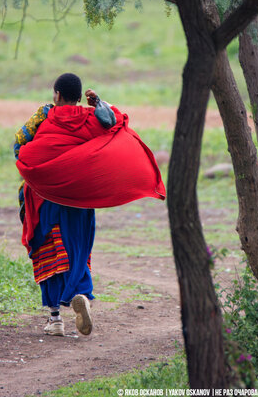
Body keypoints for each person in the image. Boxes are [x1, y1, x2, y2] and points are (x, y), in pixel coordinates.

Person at [14, 73, 165, 337]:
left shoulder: (45, 117)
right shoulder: (90, 119)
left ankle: (55, 319)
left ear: (58, 95)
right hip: (80, 199)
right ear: (78, 95)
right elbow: (115, 122)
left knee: (49, 251)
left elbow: (20, 148)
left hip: (46, 200)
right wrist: (98, 104)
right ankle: (80, 293)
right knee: (76, 248)